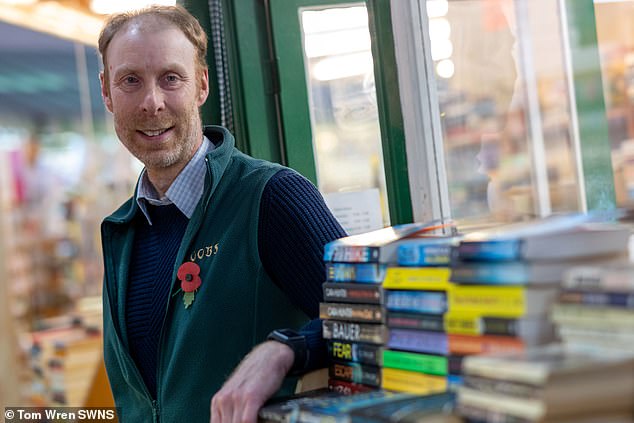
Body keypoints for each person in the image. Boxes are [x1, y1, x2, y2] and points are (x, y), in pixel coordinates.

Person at [97, 5, 345, 422]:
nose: (151, 102)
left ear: (201, 86)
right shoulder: (122, 232)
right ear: (106, 91)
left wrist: (287, 349)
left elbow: (375, 315)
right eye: (130, 81)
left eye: (171, 78)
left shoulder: (272, 197)